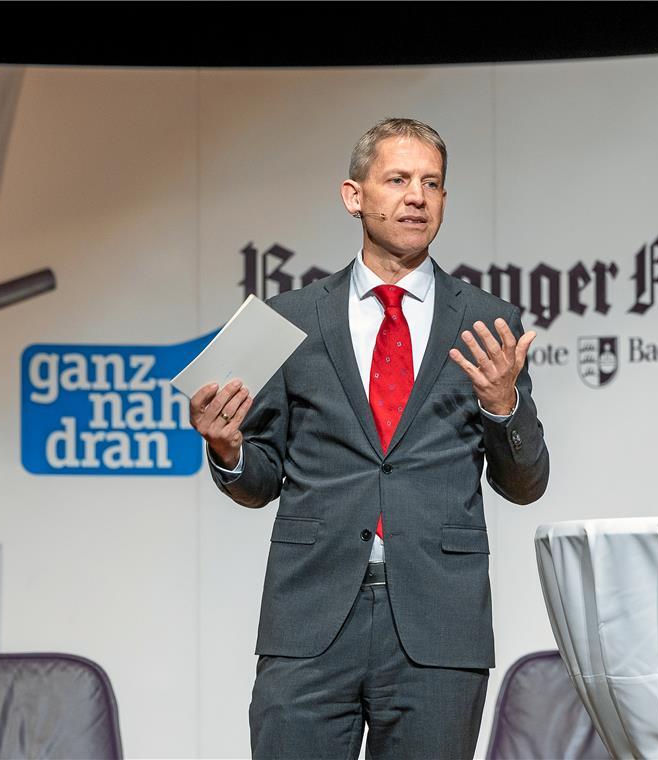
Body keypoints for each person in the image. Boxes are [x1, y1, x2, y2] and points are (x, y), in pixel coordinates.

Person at [190, 118, 549, 759]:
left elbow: (525, 484)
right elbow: (262, 477)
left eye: (432, 184)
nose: (417, 196)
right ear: (354, 195)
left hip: (439, 625)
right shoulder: (288, 319)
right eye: (398, 179)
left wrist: (503, 405)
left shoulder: (489, 321)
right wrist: (228, 451)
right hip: (310, 619)